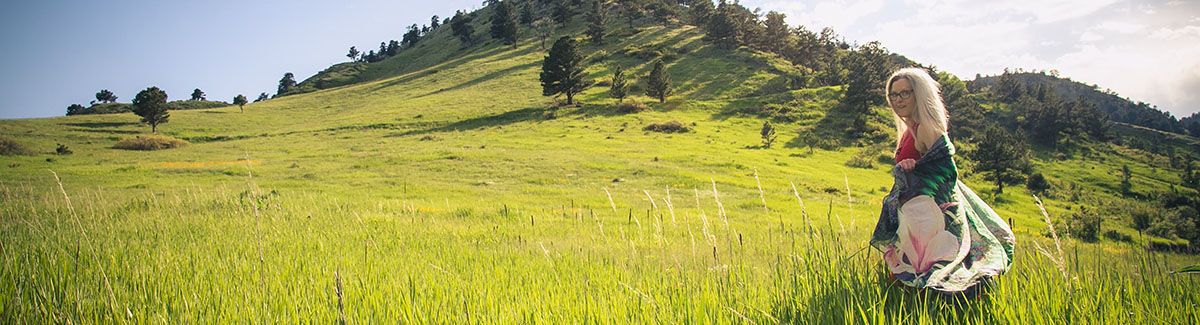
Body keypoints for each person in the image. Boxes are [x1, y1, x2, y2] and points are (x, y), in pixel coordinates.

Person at [870, 67, 1016, 293]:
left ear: (919, 93)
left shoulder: (926, 129)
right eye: (893, 95)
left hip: (928, 217)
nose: (898, 100)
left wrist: (915, 167)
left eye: (905, 93)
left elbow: (945, 171)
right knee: (913, 273)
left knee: (937, 271)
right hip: (915, 216)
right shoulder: (910, 130)